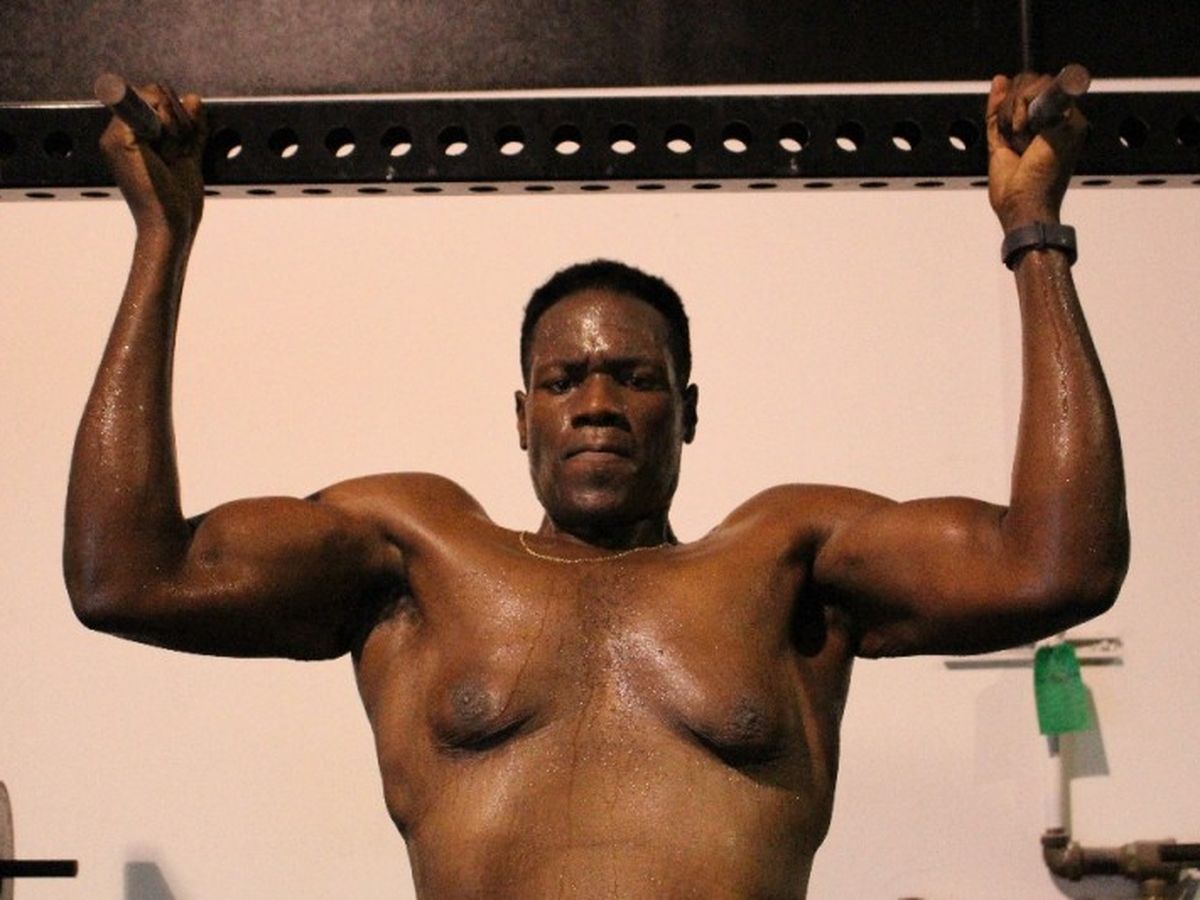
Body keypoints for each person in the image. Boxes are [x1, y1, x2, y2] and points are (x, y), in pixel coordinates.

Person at [64, 72, 1129, 898]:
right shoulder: (416, 555)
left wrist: (1032, 232)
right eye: (563, 380)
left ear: (688, 411)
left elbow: (1059, 565)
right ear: (521, 414)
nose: (598, 403)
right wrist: (162, 237)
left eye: (636, 378)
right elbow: (126, 576)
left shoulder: (788, 559)